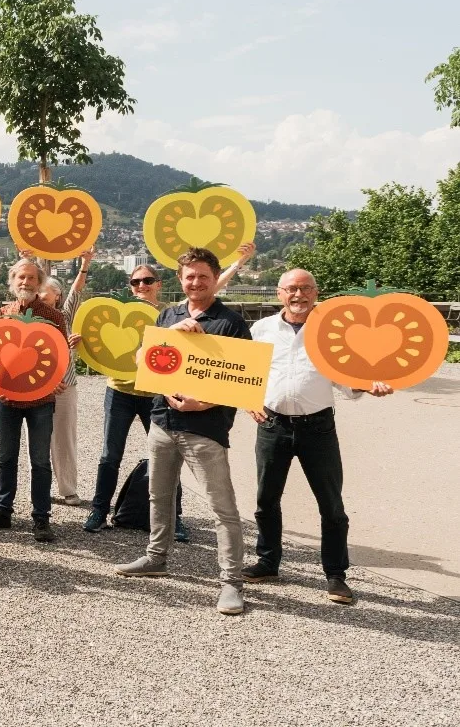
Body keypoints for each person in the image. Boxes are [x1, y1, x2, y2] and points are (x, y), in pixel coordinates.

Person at [115, 247, 252, 616]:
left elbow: (243, 382)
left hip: (205, 429)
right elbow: (145, 361)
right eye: (189, 276)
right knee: (158, 497)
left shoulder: (231, 323)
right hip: (163, 421)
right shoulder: (168, 315)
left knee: (222, 508)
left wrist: (203, 403)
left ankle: (231, 582)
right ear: (180, 279)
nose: (196, 282)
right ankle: (156, 558)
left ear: (215, 277)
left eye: (203, 276)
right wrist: (169, 333)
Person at [245, 269, 393, 605]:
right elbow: (245, 373)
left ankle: (336, 575)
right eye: (292, 289)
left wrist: (370, 386)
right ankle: (267, 562)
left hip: (318, 427)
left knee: (332, 505)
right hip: (273, 425)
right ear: (279, 293)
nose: (299, 295)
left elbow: (347, 376)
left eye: (306, 289)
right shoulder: (261, 329)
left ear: (316, 292)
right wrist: (246, 401)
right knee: (266, 500)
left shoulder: (332, 330)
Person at [82, 263, 188, 540]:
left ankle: (174, 518)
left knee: (167, 456)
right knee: (109, 455)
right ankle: (99, 511)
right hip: (119, 391)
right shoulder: (120, 310)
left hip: (155, 393)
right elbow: (99, 343)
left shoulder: (170, 314)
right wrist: (81, 343)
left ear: (159, 283)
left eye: (147, 280)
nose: (141, 286)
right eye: (136, 282)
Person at [0, 258, 68, 542]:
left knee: (40, 460)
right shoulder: (2, 315)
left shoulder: (54, 317)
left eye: (30, 278)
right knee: (6, 457)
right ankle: (3, 511)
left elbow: (59, 355)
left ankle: (41, 518)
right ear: (12, 282)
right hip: (7, 400)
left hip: (41, 399)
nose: (25, 283)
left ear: (39, 284)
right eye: (20, 278)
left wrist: (57, 381)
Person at [37, 250, 92, 506]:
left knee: (64, 438)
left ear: (57, 295)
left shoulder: (65, 316)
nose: (39, 295)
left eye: (44, 291)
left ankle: (68, 488)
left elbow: (76, 292)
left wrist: (85, 264)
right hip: (37, 388)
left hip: (65, 386)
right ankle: (40, 488)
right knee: (37, 440)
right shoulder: (30, 317)